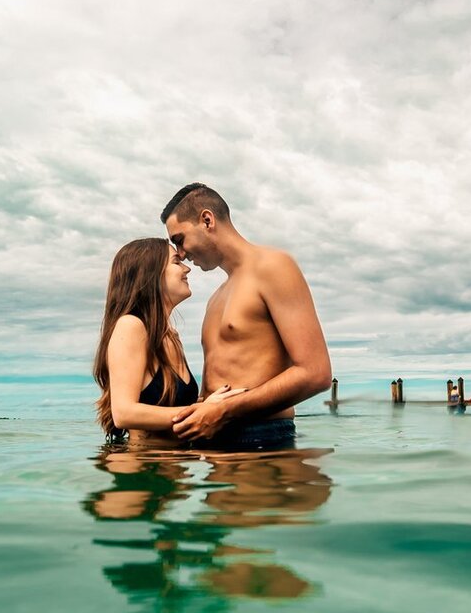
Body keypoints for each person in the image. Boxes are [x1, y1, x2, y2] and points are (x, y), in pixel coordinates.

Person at [160, 182, 332, 449]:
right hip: (213, 439)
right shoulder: (217, 296)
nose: (181, 254)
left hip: (259, 437)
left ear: (207, 220)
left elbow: (316, 373)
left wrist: (223, 411)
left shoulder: (273, 266)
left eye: (179, 240)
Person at [92, 237, 233, 442]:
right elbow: (123, 413)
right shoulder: (131, 326)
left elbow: (175, 408)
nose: (187, 269)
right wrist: (203, 409)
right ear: (151, 274)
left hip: (172, 466)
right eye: (176, 262)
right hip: (141, 468)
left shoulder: (171, 337)